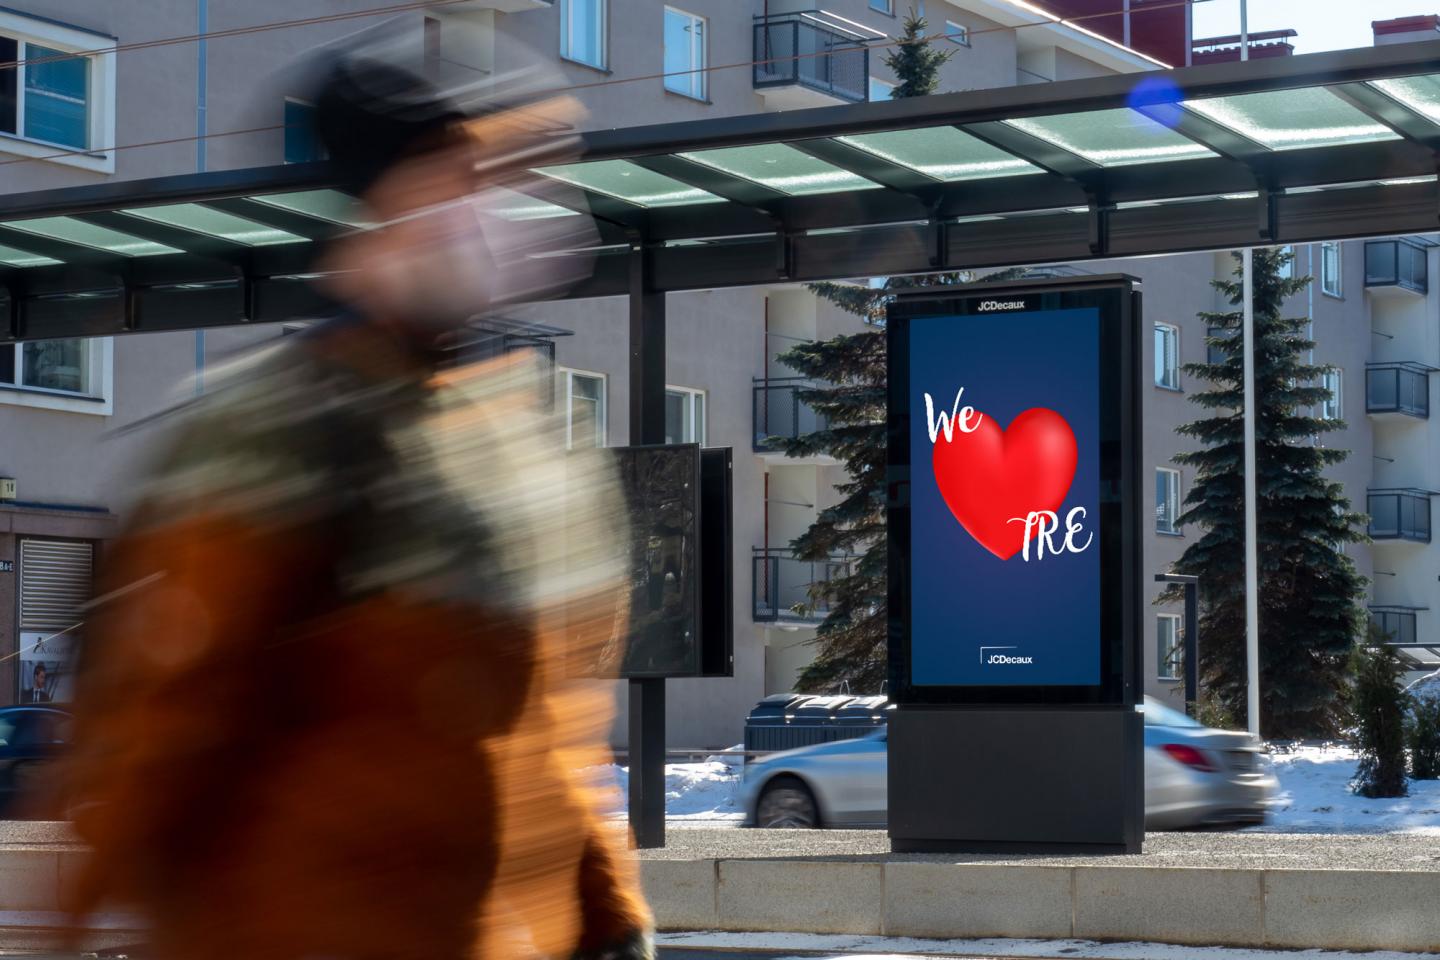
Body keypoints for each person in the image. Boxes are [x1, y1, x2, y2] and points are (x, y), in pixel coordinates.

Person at [59, 38, 649, 960]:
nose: (524, 206)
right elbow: (153, 721)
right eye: (485, 173)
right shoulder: (273, 429)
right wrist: (74, 917)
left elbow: (558, 721)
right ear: (395, 197)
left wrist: (613, 914)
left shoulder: (533, 431)